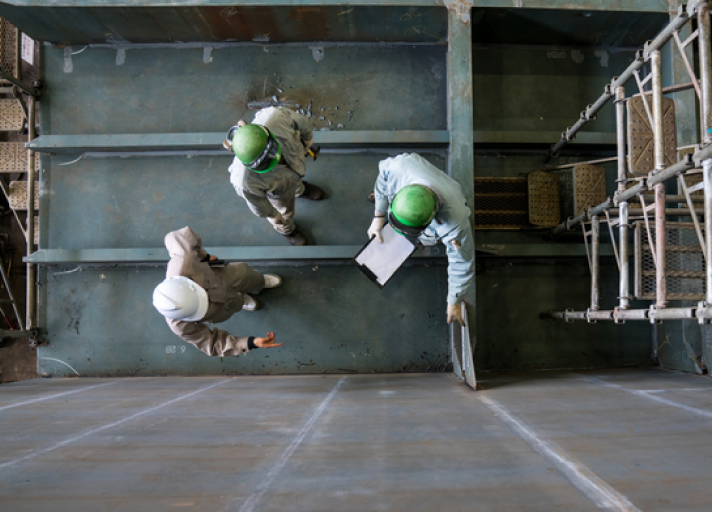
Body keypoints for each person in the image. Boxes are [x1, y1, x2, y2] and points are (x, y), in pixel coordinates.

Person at [367, 153, 474, 326]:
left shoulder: (454, 223)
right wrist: (378, 216)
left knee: (430, 240)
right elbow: (383, 179)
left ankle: (424, 238)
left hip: (449, 194)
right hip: (423, 182)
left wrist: (453, 301)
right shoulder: (398, 167)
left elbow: (462, 263)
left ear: (431, 219)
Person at [152, 226, 283, 356]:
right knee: (234, 304)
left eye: (201, 292)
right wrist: (250, 343)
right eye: (201, 304)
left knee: (245, 275)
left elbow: (177, 236)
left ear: (187, 282)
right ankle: (241, 300)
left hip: (223, 277)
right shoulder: (180, 326)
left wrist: (204, 256)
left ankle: (259, 282)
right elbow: (212, 343)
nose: (207, 295)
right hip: (220, 309)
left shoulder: (183, 260)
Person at [225, 107, 325, 246]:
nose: (276, 159)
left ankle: (300, 190)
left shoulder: (276, 117)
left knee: (295, 179)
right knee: (285, 214)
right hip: (279, 192)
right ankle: (288, 231)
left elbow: (302, 123)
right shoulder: (243, 181)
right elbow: (259, 205)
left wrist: (308, 142)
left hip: (294, 167)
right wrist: (275, 216)